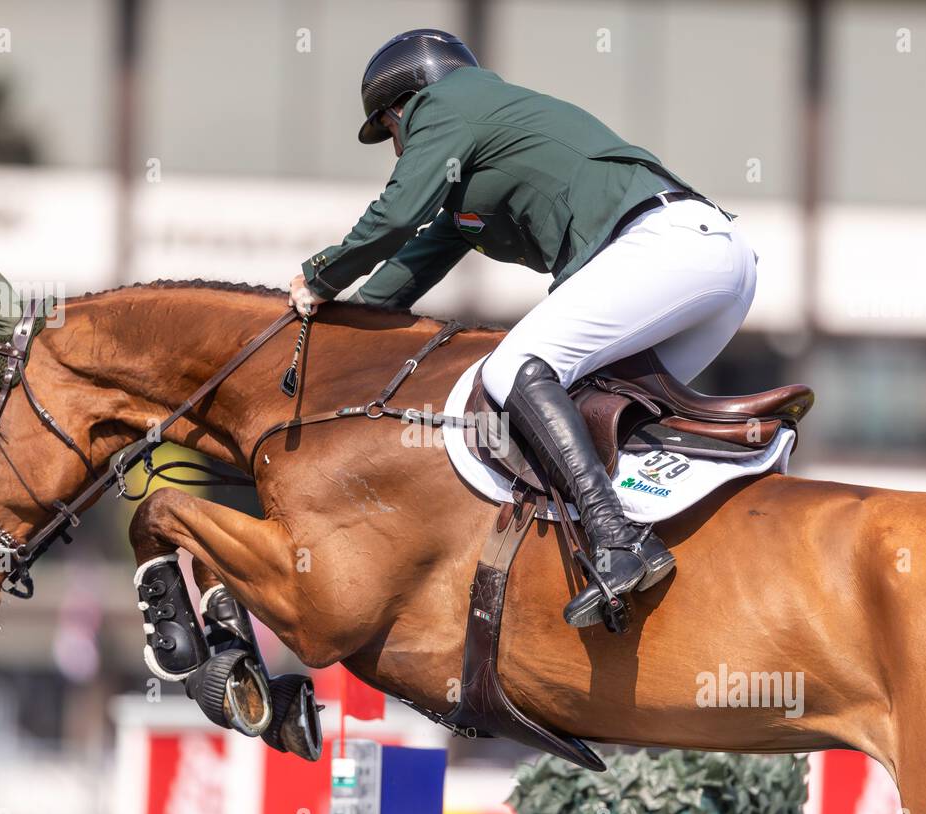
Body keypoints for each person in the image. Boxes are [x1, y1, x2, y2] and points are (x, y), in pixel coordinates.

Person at [289, 29, 757, 629]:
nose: (397, 149)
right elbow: (409, 267)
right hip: (714, 267)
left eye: (390, 132)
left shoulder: (448, 101)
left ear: (403, 105)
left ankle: (615, 539)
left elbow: (397, 214)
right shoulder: (476, 172)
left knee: (512, 369)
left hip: (668, 249)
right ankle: (659, 552)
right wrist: (339, 336)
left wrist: (319, 278)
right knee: (596, 411)